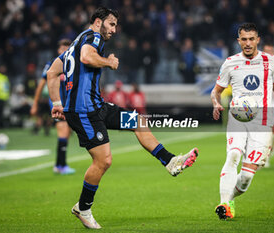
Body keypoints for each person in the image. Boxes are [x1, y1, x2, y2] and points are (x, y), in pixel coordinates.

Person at [47, 7, 199, 229]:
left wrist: (57, 103)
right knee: (104, 160)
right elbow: (86, 57)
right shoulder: (93, 37)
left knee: (137, 120)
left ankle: (169, 161)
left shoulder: (76, 41)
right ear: (98, 22)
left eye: (116, 25)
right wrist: (108, 62)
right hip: (84, 111)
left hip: (96, 106)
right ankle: (84, 207)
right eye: (111, 24)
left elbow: (52, 72)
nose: (114, 30)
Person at [210, 23, 274, 220]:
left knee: (246, 178)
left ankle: (230, 198)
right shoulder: (230, 63)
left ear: (257, 40)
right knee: (233, 156)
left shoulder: (271, 61)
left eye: (251, 39)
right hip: (238, 120)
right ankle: (224, 204)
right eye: (243, 39)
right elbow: (216, 91)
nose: (247, 43)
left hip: (263, 123)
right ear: (238, 41)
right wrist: (215, 103)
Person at [30, 39, 75, 175]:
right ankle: (60, 166)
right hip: (58, 104)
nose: (65, 50)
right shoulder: (52, 64)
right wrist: (35, 103)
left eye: (68, 47)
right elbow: (41, 85)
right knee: (63, 131)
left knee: (65, 133)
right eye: (63, 48)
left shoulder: (72, 64)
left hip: (69, 104)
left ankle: (61, 164)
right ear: (58, 50)